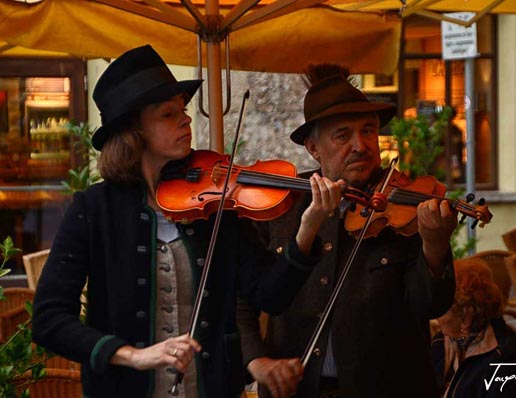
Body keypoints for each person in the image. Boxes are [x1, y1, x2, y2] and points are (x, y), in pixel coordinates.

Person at [31, 45, 344, 398]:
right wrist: (131, 355)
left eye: (183, 110)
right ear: (134, 130)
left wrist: (308, 226)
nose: (186, 119)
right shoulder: (94, 210)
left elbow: (269, 295)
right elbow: (49, 320)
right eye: (168, 114)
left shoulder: (217, 205)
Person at [237, 64, 458, 398]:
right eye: (343, 135)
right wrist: (256, 360)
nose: (361, 145)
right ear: (313, 148)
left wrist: (435, 246)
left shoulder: (401, 206)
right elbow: (242, 297)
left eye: (368, 131)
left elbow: (430, 305)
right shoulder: (281, 207)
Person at [432, 258, 516, 398]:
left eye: (443, 307)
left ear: (466, 315)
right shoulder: (441, 342)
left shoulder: (510, 356)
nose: (435, 314)